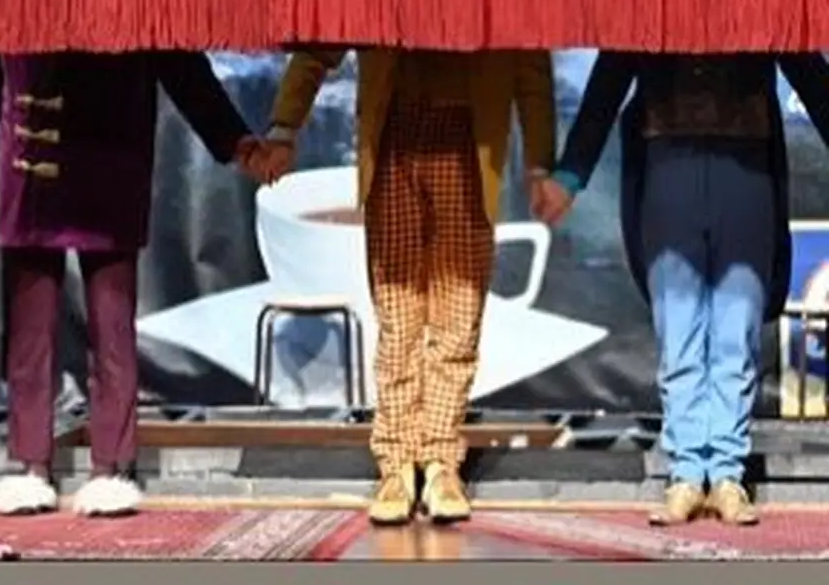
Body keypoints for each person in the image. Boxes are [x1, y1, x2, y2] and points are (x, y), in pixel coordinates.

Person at [0, 50, 264, 519]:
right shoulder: (6, 3)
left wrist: (234, 140)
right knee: (29, 334)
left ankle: (112, 466)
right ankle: (30, 464)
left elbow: (181, 64)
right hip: (31, 170)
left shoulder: (135, 3)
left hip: (110, 161)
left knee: (112, 328)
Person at [250, 47, 556, 526]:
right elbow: (320, 43)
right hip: (394, 136)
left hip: (467, 140)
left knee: (458, 315)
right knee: (398, 317)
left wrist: (540, 163)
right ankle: (396, 463)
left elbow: (530, 62)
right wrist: (285, 127)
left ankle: (439, 461)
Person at [534, 52, 829, 527]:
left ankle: (727, 472)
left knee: (737, 324)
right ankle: (688, 472)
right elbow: (610, 76)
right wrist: (571, 174)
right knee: (679, 323)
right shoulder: (648, 6)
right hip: (668, 166)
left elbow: (807, 69)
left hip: (745, 168)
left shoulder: (760, 3)